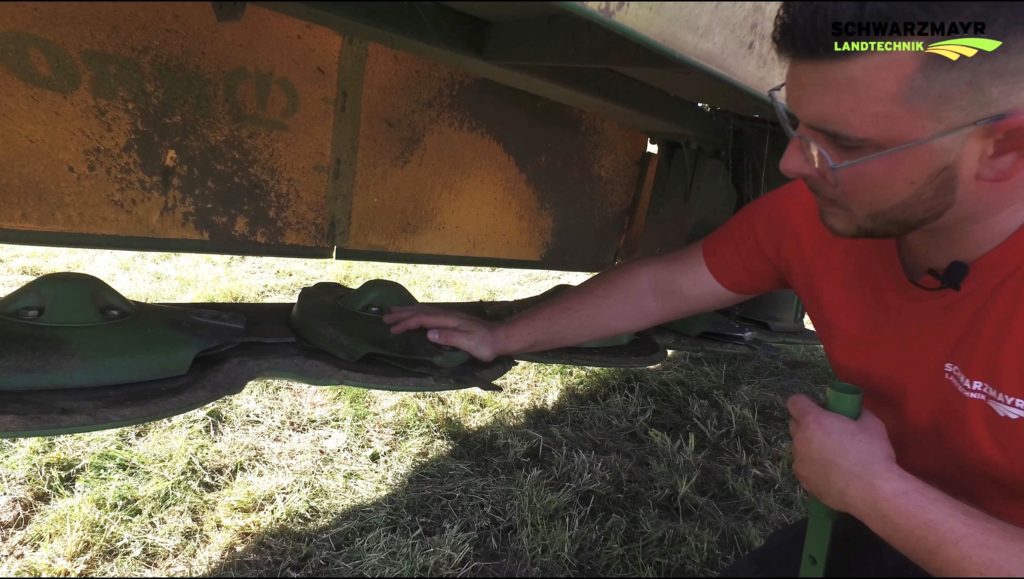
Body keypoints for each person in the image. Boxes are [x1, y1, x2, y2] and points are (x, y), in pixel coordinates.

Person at [383, 3, 1024, 575]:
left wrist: (873, 489)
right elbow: (667, 285)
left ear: (1004, 149)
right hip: (898, 527)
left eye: (846, 145)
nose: (793, 164)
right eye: (797, 123)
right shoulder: (815, 218)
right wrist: (506, 333)